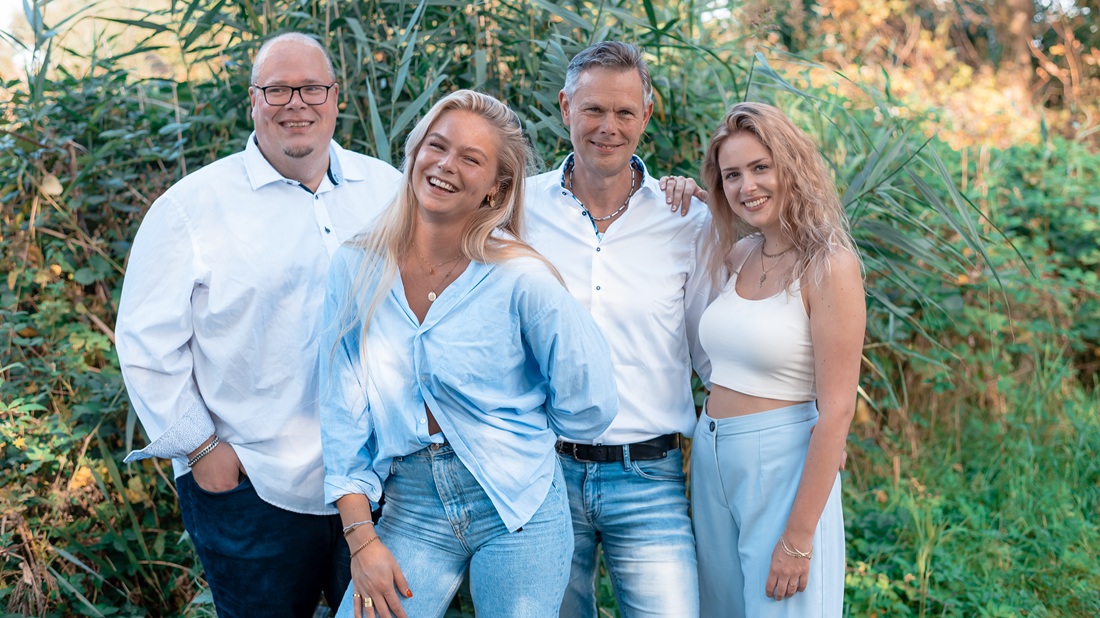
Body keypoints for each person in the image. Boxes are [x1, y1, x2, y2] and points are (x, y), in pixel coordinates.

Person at [115, 32, 401, 617]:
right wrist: (203, 450)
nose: (296, 102)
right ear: (253, 100)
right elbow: (146, 344)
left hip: (378, 483)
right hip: (253, 488)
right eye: (277, 89)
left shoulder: (388, 190)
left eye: (311, 88)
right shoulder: (191, 209)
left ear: (336, 97)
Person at [319, 89, 619, 618]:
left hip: (518, 504)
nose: (445, 166)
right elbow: (342, 414)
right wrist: (361, 541)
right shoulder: (356, 267)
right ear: (415, 152)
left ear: (496, 187)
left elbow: (589, 402)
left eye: (471, 158)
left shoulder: (521, 278)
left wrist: (521, 427)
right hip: (411, 506)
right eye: (437, 146)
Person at [524, 41, 712, 618]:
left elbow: (712, 354)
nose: (609, 126)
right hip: (542, 472)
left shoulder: (687, 219)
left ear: (646, 116)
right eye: (594, 110)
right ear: (564, 108)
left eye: (625, 112)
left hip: (649, 474)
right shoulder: (518, 209)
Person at [691, 101, 865, 617]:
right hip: (711, 454)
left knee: (780, 605)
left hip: (782, 460)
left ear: (790, 164)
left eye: (760, 167)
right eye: (732, 175)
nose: (747, 186)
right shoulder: (741, 254)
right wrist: (688, 192)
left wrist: (798, 537)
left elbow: (837, 409)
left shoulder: (829, 264)